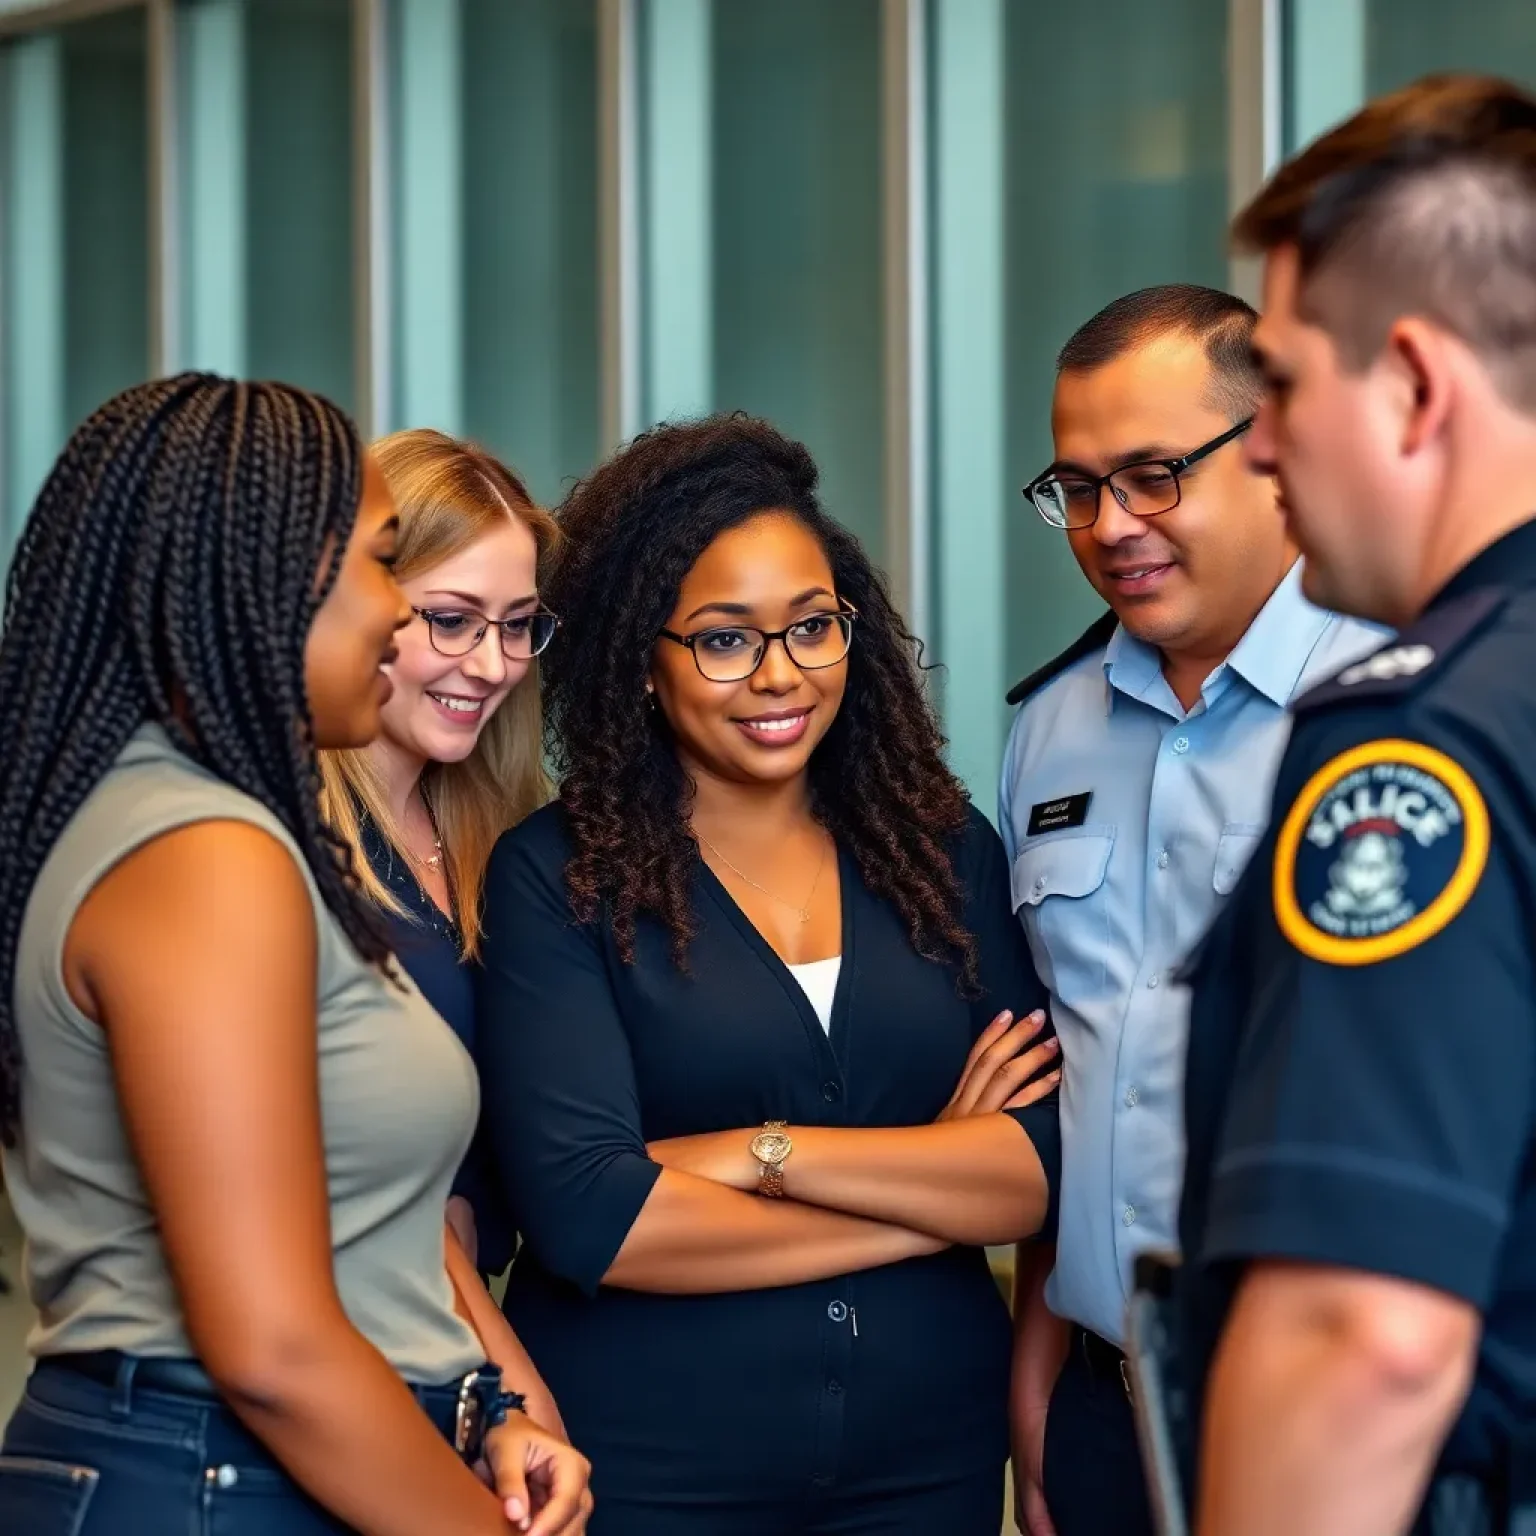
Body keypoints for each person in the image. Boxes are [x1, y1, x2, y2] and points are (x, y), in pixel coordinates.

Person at [0, 376, 590, 1535]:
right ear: (260, 578)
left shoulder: (176, 821)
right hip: (213, 1476)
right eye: (380, 566)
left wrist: (478, 1408)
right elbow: (272, 1347)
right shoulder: (206, 852)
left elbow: (350, 1248)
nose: (391, 614)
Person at [475, 415, 1062, 1536]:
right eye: (726, 640)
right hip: (649, 1463)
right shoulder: (558, 879)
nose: (779, 675)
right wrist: (932, 1196)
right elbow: (596, 1217)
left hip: (926, 1458)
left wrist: (760, 1156)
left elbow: (1035, 1172)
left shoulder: (944, 853)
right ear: (639, 659)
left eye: (811, 627)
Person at [1170, 74, 1536, 1536]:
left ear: (1416, 385)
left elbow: (1361, 1336)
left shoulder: (1425, 746)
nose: (1260, 448)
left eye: (1284, 386)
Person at [1000, 284, 1384, 1536]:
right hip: (1111, 1411)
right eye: (1076, 488)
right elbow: (1076, 1068)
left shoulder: (1402, 707)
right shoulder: (1047, 732)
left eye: (1155, 475)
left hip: (1341, 1429)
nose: (1111, 527)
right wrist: (1040, 1378)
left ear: (1269, 449)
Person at [318, 427, 567, 1434]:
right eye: (452, 621)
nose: (492, 663)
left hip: (457, 1347)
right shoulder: (288, 851)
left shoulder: (512, 839)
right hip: (347, 1364)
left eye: (518, 626)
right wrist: (513, 1398)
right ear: (362, 605)